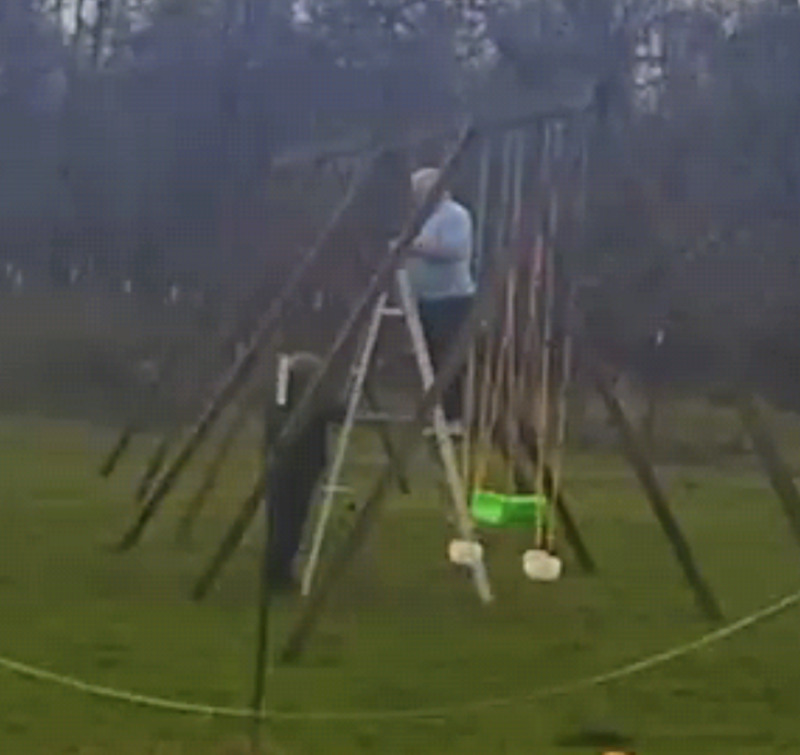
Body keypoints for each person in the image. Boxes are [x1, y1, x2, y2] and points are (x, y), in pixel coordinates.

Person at [263, 352, 343, 591]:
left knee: (283, 523)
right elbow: (336, 410)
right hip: (296, 469)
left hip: (285, 467)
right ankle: (277, 574)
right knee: (288, 524)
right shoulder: (305, 404)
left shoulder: (282, 402)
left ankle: (278, 572)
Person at [406, 167, 476, 434]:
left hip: (451, 298)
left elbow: (455, 250)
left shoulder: (455, 215)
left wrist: (416, 247)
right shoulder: (424, 217)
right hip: (425, 297)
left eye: (420, 191)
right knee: (429, 358)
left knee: (448, 358)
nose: (417, 197)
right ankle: (436, 415)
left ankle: (454, 417)